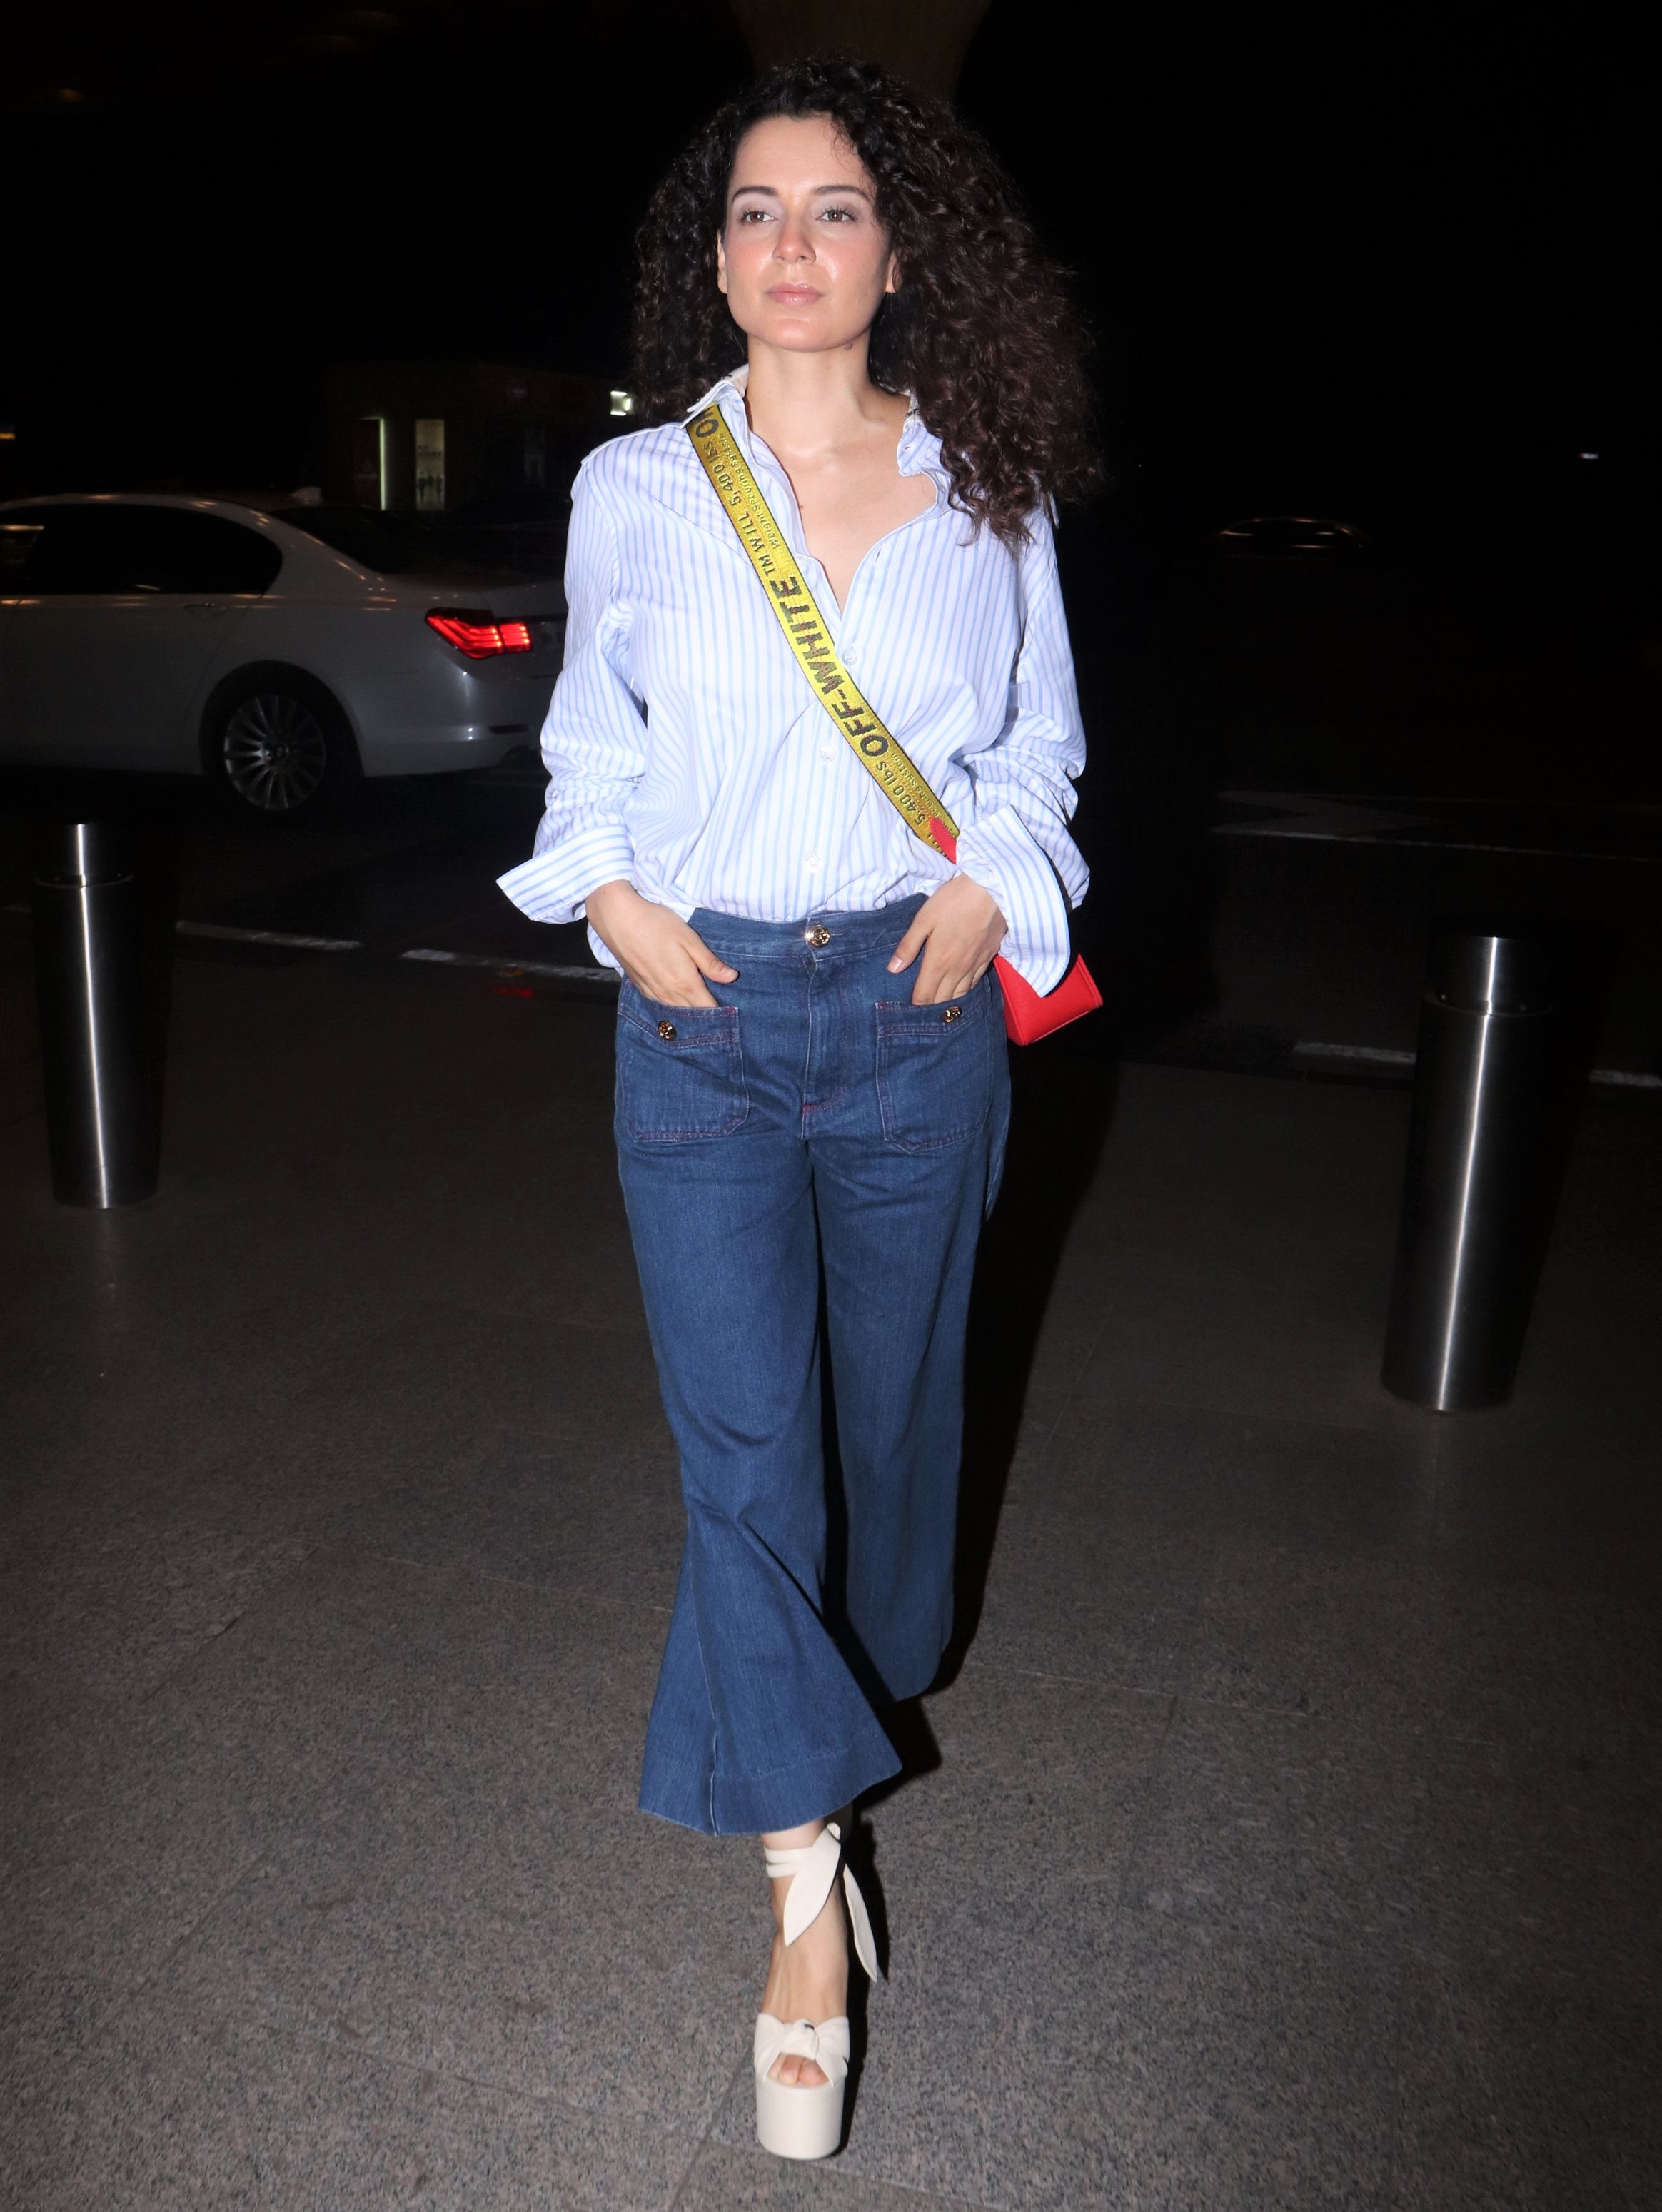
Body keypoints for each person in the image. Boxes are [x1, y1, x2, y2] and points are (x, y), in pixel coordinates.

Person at [499, 53, 1097, 2161]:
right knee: (744, 1451)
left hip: (917, 1019)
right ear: (714, 256)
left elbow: (1036, 750)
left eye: (834, 208)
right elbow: (587, 747)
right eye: (754, 211)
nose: (792, 247)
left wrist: (990, 885)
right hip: (708, 1021)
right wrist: (618, 905)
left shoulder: (986, 486)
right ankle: (801, 1896)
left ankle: (854, 1675)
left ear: (902, 247)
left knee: (890, 1438)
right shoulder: (639, 492)